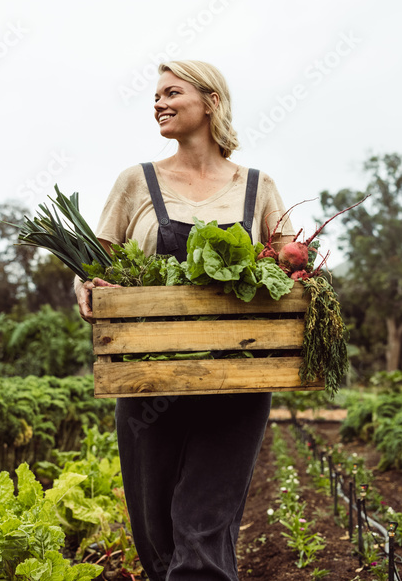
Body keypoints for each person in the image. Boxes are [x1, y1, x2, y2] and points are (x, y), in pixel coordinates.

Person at [74, 60, 292, 580]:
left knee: (202, 532)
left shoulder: (257, 187)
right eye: (155, 96)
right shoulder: (135, 183)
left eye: (172, 92)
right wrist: (85, 289)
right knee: (158, 540)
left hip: (236, 384)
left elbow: (288, 261)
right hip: (149, 383)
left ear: (211, 100)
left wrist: (294, 267)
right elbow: (94, 269)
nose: (158, 103)